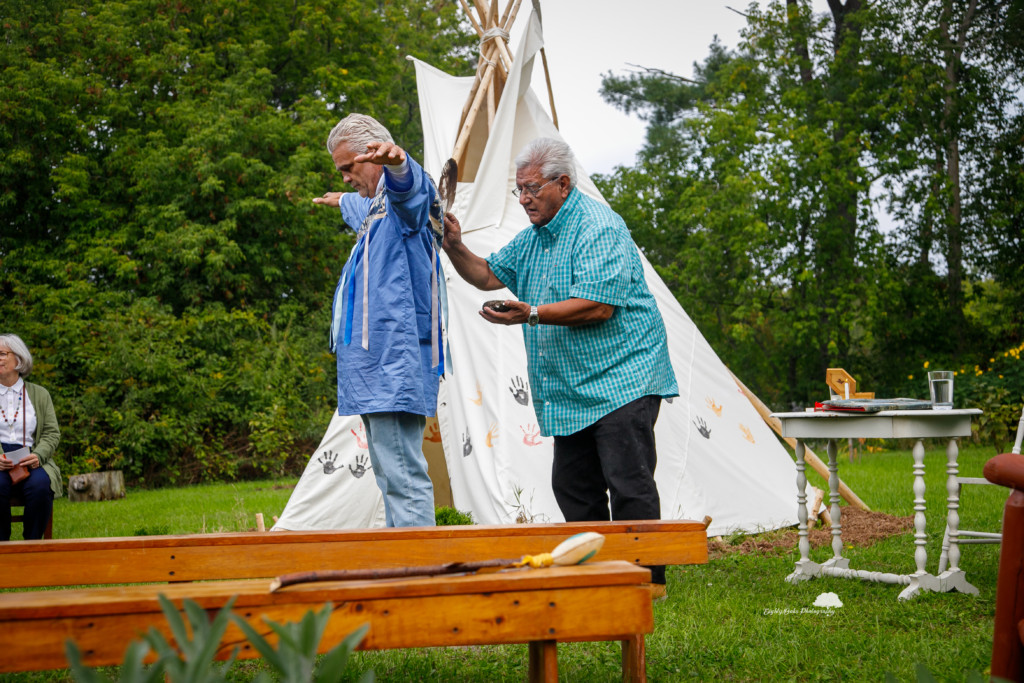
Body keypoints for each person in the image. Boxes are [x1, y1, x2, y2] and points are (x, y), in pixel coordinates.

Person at [442, 137, 678, 593]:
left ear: (563, 184)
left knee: (628, 482)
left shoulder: (598, 226)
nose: (524, 199)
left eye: (532, 189)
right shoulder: (535, 238)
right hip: (573, 388)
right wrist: (454, 245)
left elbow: (598, 307)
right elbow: (488, 274)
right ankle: (598, 576)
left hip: (624, 375)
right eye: (519, 191)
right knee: (573, 485)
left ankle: (648, 582)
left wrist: (530, 313)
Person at [312, 113, 444, 528]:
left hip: (393, 360)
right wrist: (341, 200)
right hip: (374, 365)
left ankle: (419, 575)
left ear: (375, 155)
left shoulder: (403, 201)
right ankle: (403, 562)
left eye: (349, 168)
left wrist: (400, 164)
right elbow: (361, 208)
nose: (347, 178)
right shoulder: (374, 207)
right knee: (389, 472)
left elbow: (413, 197)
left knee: (403, 473)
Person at [0, 334, 62, 541]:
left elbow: (52, 432)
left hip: (31, 459)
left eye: (2, 354)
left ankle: (32, 546)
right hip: (0, 460)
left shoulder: (40, 394)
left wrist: (39, 455)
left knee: (41, 486)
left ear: (18, 359)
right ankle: (2, 548)